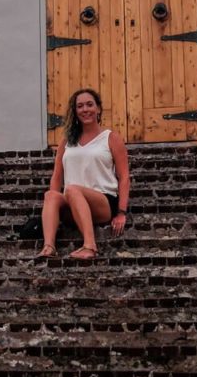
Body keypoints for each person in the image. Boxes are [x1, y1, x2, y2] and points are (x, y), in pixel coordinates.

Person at [37, 87, 130, 260]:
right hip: (73, 204)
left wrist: (121, 213)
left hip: (102, 201)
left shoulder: (110, 138)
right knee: (51, 195)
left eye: (89, 105)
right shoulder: (67, 141)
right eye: (80, 106)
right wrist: (53, 209)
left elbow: (124, 177)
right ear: (75, 111)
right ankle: (49, 246)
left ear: (98, 109)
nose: (85, 109)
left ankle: (90, 246)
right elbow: (57, 176)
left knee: (72, 189)